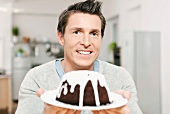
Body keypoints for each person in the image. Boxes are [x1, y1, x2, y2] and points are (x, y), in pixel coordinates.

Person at [15, 0, 142, 114]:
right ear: (61, 37)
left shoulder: (120, 78)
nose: (86, 42)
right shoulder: (37, 79)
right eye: (77, 32)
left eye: (94, 33)